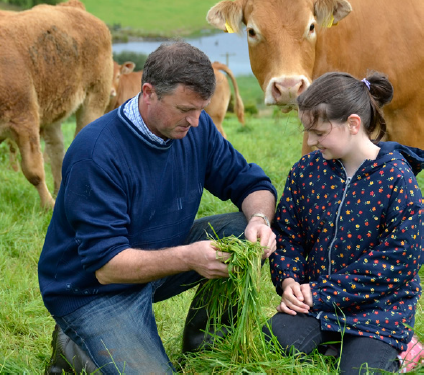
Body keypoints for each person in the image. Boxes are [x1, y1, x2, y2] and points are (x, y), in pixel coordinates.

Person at [38, 40, 278, 373]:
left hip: (157, 259)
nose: (195, 122)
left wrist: (261, 219)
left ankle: (204, 343)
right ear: (148, 92)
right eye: (184, 110)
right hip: (92, 290)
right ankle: (73, 342)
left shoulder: (197, 127)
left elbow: (252, 184)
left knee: (242, 231)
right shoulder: (96, 153)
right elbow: (107, 266)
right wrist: (189, 257)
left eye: (200, 110)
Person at [263, 71, 424, 373]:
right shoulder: (305, 173)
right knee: (270, 346)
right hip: (314, 307)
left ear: (353, 124)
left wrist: (321, 292)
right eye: (307, 132)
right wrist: (290, 282)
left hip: (377, 313)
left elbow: (399, 261)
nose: (310, 141)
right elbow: (288, 235)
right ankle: (330, 344)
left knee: (360, 371)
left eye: (320, 133)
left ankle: (404, 346)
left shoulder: (396, 179)